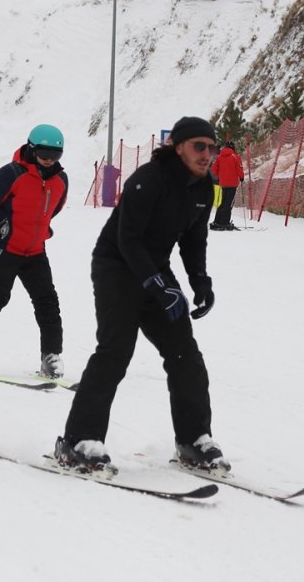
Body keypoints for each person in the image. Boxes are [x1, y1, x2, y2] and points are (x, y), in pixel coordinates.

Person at [53, 115, 225, 476]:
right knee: (115, 351)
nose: (207, 154)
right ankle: (79, 441)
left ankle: (194, 440)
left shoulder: (205, 188)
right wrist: (155, 283)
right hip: (116, 265)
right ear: (178, 147)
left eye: (212, 147)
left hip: (154, 268)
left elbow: (194, 242)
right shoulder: (148, 180)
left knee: (185, 355)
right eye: (199, 146)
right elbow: (127, 238)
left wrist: (200, 282)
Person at [0, 124, 69, 379]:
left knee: (48, 302)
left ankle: (51, 356)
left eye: (55, 155)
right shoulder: (9, 174)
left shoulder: (60, 180)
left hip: (36, 251)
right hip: (5, 248)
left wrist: (41, 229)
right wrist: (0, 227)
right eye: (43, 154)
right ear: (31, 148)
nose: (49, 160)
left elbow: (54, 208)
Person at [209, 140, 245, 231]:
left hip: (223, 183)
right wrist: (241, 177)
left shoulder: (219, 157)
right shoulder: (235, 157)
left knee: (223, 202)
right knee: (228, 204)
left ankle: (217, 221)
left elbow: (213, 169)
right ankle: (225, 222)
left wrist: (220, 176)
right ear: (233, 147)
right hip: (232, 184)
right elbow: (239, 168)